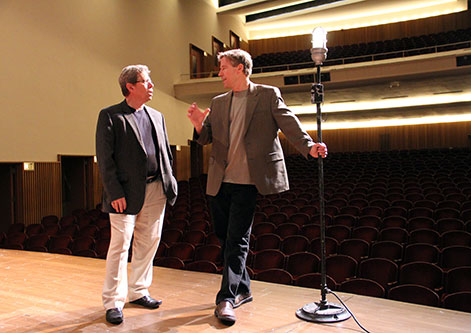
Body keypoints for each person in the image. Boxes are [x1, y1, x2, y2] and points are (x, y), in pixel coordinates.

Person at [187, 49, 327, 325]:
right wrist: (198, 125)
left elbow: (289, 122)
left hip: (248, 183)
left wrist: (309, 147)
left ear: (240, 68)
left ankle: (226, 299)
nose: (219, 73)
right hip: (219, 180)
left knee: (237, 239)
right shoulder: (218, 101)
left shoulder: (267, 95)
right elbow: (206, 139)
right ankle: (244, 289)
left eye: (223, 68)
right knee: (224, 236)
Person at [96, 64, 177, 325]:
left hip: (156, 189)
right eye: (145, 81)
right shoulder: (110, 116)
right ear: (130, 87)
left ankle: (139, 291)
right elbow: (105, 160)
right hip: (124, 194)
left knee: (149, 242)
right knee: (120, 247)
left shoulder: (157, 116)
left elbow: (165, 153)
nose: (151, 85)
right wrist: (114, 192)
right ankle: (113, 301)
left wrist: (169, 182)